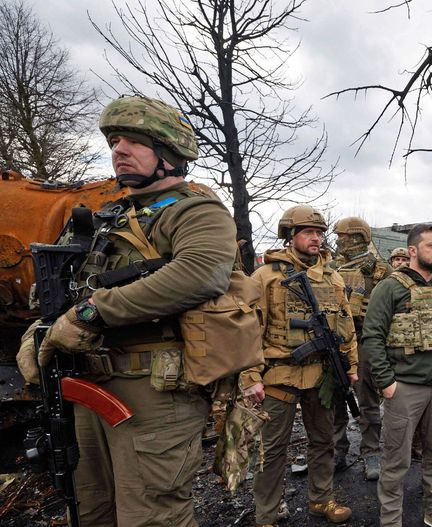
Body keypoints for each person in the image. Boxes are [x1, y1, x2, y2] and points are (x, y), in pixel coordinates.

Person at [16, 95, 238, 525]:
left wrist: (89, 314)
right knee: (91, 509)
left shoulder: (196, 211)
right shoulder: (104, 220)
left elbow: (199, 274)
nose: (118, 150)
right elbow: (59, 291)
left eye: (133, 141)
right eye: (115, 140)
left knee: (153, 516)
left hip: (152, 394)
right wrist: (40, 331)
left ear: (170, 152)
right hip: (84, 387)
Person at [240, 206, 357, 525]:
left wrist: (351, 366)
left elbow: (346, 325)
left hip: (322, 375)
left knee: (324, 441)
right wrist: (251, 377)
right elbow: (249, 329)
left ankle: (321, 499)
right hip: (279, 374)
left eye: (319, 233)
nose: (316, 238)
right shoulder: (266, 275)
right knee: (272, 450)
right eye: (308, 232)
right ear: (291, 236)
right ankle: (266, 513)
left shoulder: (332, 275)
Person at [362, 224, 432, 527]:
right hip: (405, 389)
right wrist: (388, 384)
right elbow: (372, 337)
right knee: (396, 461)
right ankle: (391, 520)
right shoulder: (390, 287)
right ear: (412, 251)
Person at [330, 216, 389, 480]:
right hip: (333, 342)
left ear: (355, 237)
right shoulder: (330, 268)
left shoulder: (379, 270)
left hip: (364, 341)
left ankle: (371, 451)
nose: (337, 241)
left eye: (341, 236)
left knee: (367, 398)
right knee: (333, 399)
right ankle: (337, 449)